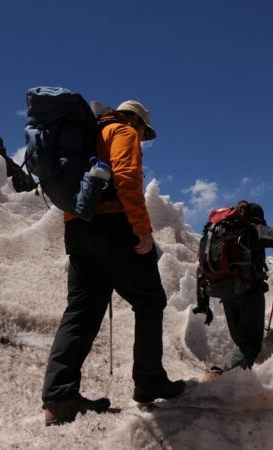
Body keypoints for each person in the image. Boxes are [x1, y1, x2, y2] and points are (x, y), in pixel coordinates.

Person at [41, 100, 184, 426]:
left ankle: (58, 397)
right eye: (143, 130)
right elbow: (126, 176)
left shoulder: (85, 137)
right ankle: (149, 381)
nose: (142, 136)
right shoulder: (121, 130)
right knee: (149, 300)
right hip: (114, 226)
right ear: (135, 119)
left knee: (80, 311)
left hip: (77, 228)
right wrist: (141, 228)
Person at [195, 201, 273, 378]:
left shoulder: (222, 234)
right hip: (248, 293)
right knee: (249, 345)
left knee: (241, 341)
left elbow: (201, 271)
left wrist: (203, 304)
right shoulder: (253, 228)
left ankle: (236, 376)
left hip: (226, 294)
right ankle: (221, 374)